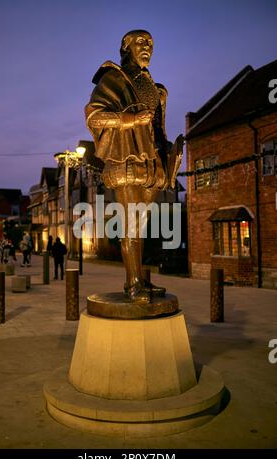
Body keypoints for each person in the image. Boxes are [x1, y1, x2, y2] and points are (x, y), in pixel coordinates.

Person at [85, 30, 183, 303]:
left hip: (151, 163)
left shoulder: (154, 86)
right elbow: (94, 116)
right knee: (130, 225)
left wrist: (169, 157)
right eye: (140, 42)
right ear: (126, 47)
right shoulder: (113, 78)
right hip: (126, 158)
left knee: (141, 225)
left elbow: (158, 128)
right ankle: (133, 284)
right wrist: (129, 119)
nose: (147, 47)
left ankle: (137, 280)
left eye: (151, 43)